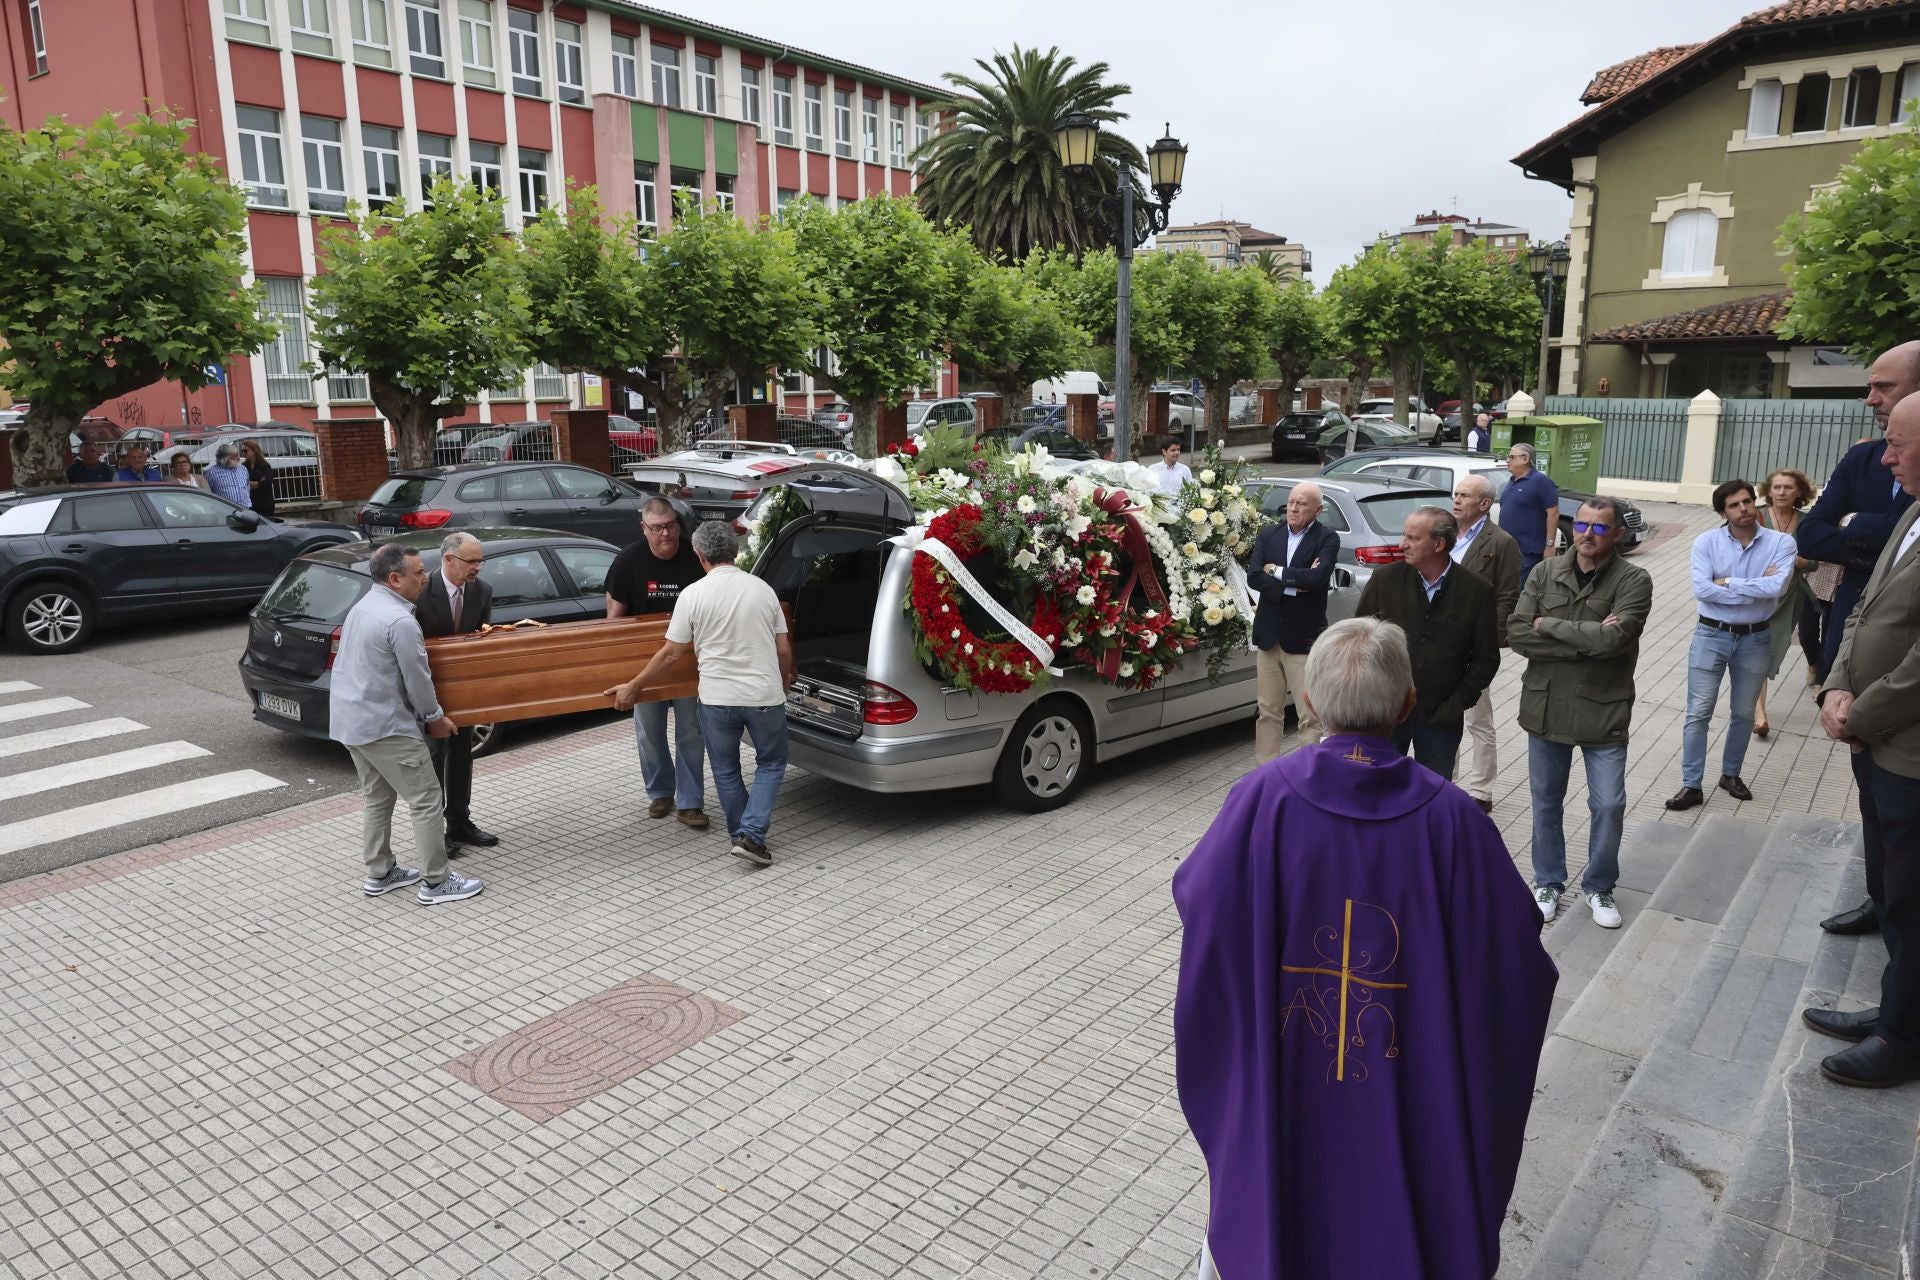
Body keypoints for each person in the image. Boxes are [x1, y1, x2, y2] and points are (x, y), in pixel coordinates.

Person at [1172, 616, 1556, 1280]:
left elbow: (1203, 905)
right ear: (1407, 704)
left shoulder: (1259, 802)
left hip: (1284, 1079)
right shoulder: (1455, 821)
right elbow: (1516, 962)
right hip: (1412, 1091)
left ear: (1311, 704)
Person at [1807, 393, 1920, 1088]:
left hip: (1906, 751)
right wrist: (1836, 684)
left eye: (1899, 442)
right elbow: (1865, 608)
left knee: (1911, 901)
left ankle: (1902, 1038)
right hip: (1875, 738)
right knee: (1891, 890)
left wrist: (1863, 711)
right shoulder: (1911, 511)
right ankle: (1893, 1011)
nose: (1886, 456)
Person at [1798, 342, 1920, 939]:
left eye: (1885, 388)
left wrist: (1859, 528)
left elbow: (1840, 533)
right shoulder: (1862, 460)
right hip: (1852, 659)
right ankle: (1880, 900)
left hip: (1904, 696)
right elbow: (1810, 533)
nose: (1870, 398)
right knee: (1873, 801)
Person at [607, 522, 793, 866]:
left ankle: (743, 835)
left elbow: (671, 652)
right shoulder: (763, 590)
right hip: (763, 696)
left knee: (725, 770)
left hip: (716, 698)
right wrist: (782, 682)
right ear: (735, 551)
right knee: (771, 763)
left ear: (699, 554)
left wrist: (636, 684)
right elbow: (783, 650)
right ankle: (750, 836)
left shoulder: (692, 594)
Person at [1510, 497, 1653, 930]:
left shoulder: (1634, 579)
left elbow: (1615, 642)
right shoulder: (1544, 571)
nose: (1587, 535)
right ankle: (1548, 881)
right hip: (1547, 704)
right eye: (1582, 526)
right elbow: (1517, 633)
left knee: (1608, 804)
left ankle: (1599, 884)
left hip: (1602, 709)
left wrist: (1547, 625)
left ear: (1618, 534)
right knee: (1545, 803)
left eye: (1600, 528)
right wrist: (1587, 639)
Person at [329, 543, 483, 906]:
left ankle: (380, 872)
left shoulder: (364, 606)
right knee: (427, 798)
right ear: (395, 579)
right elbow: (418, 680)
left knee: (377, 798)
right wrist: (435, 719)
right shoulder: (399, 621)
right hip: (386, 725)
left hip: (352, 722)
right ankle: (436, 881)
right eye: (417, 573)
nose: (424, 578)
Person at [1665, 480, 1797, 812]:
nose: (1744, 509)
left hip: (1756, 637)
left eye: (1748, 502)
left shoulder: (1781, 543)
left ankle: (1730, 774)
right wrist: (1753, 587)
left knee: (1742, 714)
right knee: (1698, 713)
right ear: (1723, 512)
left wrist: (1728, 582)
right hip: (1711, 634)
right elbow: (1702, 590)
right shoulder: (1706, 542)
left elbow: (1777, 587)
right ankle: (1691, 784)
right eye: (1735, 505)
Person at [1354, 506, 1498, 780]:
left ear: (1439, 544)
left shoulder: (1475, 591)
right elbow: (1360, 638)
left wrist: (1456, 704)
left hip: (1439, 719)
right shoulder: (1385, 580)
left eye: (1413, 538)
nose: (1402, 544)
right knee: (1377, 789)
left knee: (1432, 796)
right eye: (1404, 536)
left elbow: (1486, 658)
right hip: (1385, 714)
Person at [606, 499, 708, 830]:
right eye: (657, 528)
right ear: (644, 529)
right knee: (649, 732)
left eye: (671, 525)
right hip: (645, 666)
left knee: (691, 732)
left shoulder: (696, 557)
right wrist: (624, 672)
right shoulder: (627, 562)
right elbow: (614, 622)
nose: (666, 533)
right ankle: (661, 792)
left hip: (690, 662)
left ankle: (690, 802)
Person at [1246, 482, 1341, 762]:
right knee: (1268, 711)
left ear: (1318, 510)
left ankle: (1308, 774)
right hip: (1269, 635)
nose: (1294, 508)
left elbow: (1318, 579)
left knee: (1309, 716)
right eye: (1291, 502)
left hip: (1303, 638)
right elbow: (1253, 576)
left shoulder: (1327, 538)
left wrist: (1275, 571)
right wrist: (1293, 584)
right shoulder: (1269, 534)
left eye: (1302, 504)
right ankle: (1266, 772)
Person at [414, 532, 497, 852]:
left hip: (463, 692)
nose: (478, 567)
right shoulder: (420, 593)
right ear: (448, 560)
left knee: (462, 756)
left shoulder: (482, 591)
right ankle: (435, 834)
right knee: (433, 758)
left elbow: (481, 641)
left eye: (480, 561)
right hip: (428, 691)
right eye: (472, 561)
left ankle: (459, 823)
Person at [1451, 474, 1523, 812]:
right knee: (1441, 715)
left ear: (1483, 503)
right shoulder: (1443, 532)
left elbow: (1507, 597)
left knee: (1478, 718)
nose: (1457, 500)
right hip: (1437, 642)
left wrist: (1489, 642)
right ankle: (1442, 781)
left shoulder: (1501, 542)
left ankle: (1481, 789)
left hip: (1474, 644)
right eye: (1456, 493)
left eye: (1464, 495)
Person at [1753, 467, 1816, 737]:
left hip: (1790, 597)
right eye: (1776, 487)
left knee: (1772, 650)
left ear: (1799, 492)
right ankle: (1759, 714)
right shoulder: (1757, 516)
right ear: (1768, 491)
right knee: (1757, 652)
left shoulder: (1808, 522)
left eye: (1788, 487)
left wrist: (1805, 563)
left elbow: (1818, 559)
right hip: (1756, 597)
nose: (1781, 492)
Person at [1499, 441, 1559, 581]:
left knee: (1520, 592)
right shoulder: (1511, 481)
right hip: (1508, 550)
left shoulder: (1540, 481)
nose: (1508, 460)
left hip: (1528, 552)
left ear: (1525, 459)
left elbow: (1553, 513)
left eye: (1512, 457)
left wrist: (1549, 545)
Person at [205, 442, 251, 508]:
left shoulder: (243, 469)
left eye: (238, 455)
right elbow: (208, 493)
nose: (238, 458)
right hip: (225, 511)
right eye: (234, 456)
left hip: (245, 509)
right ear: (224, 459)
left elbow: (247, 487)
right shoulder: (211, 473)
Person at [241, 438, 277, 518]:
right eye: (242, 451)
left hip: (265, 504)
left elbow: (266, 484)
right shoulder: (243, 467)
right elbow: (241, 484)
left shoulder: (264, 466)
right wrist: (257, 483)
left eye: (246, 451)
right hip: (250, 504)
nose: (244, 453)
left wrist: (249, 483)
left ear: (254, 451)